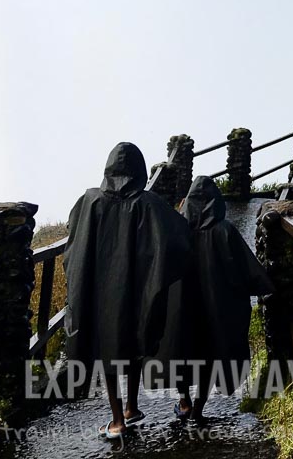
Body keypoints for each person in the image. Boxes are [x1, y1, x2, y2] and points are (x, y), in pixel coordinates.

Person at [64, 142, 191, 440]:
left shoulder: (90, 201)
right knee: (133, 345)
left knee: (109, 352)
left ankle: (118, 418)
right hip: (137, 292)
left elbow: (74, 240)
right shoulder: (150, 203)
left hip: (100, 295)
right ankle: (132, 407)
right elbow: (180, 235)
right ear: (140, 171)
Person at [157, 175, 272, 423]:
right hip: (215, 310)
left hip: (182, 310)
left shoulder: (177, 231)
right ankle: (199, 407)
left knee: (181, 352)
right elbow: (248, 270)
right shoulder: (225, 230)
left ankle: (184, 401)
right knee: (211, 356)